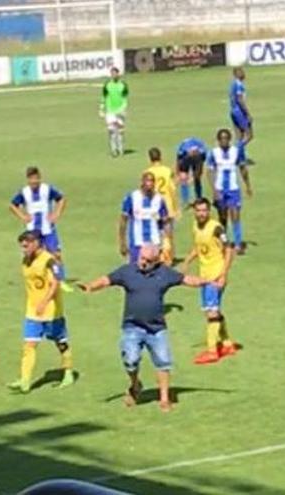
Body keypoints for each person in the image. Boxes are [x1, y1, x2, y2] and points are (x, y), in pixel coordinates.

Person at [78, 244, 204, 412]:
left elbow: (186, 280)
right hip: (132, 326)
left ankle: (164, 399)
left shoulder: (165, 273)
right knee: (130, 361)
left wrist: (207, 282)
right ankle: (135, 384)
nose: (143, 262)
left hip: (156, 328)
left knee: (163, 362)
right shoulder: (127, 271)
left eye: (148, 260)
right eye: (141, 258)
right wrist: (90, 286)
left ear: (156, 261)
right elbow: (107, 280)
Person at [8, 231, 74, 394]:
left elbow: (55, 283)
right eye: (22, 246)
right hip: (32, 311)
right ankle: (25, 380)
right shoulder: (26, 260)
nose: (23, 249)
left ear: (36, 243)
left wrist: (44, 302)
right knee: (29, 345)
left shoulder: (49, 261)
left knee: (60, 342)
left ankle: (68, 372)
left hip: (51, 311)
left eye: (26, 245)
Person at [180, 198, 239, 365]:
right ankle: (227, 343)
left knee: (211, 312)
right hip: (204, 276)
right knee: (213, 310)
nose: (201, 213)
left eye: (204, 210)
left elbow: (229, 249)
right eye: (198, 210)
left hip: (215, 275)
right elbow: (199, 248)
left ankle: (212, 350)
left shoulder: (216, 228)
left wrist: (223, 275)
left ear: (209, 211)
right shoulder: (195, 226)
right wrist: (187, 261)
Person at [9, 166, 72, 292]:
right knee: (30, 254)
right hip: (33, 230)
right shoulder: (24, 192)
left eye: (36, 179)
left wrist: (56, 213)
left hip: (48, 228)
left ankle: (60, 280)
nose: (34, 182)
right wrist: (23, 216)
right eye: (31, 179)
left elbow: (61, 199)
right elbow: (12, 205)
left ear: (39, 178)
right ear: (28, 180)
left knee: (56, 254)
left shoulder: (47, 189)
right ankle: (32, 278)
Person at [207, 129, 252, 255]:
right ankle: (224, 243)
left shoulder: (236, 151)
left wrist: (247, 185)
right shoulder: (214, 153)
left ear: (230, 139)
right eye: (221, 139)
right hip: (220, 189)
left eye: (226, 138)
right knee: (222, 217)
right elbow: (209, 171)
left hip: (233, 189)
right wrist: (214, 190)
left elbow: (243, 168)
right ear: (218, 140)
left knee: (235, 216)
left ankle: (238, 244)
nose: (224, 141)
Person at [119, 172, 171, 264]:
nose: (149, 183)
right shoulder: (132, 197)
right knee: (135, 272)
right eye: (147, 180)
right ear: (142, 182)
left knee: (154, 273)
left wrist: (167, 242)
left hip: (154, 243)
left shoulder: (159, 199)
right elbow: (123, 221)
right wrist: (122, 242)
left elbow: (165, 221)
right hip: (137, 244)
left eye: (152, 181)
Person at [144, 147, 179, 264]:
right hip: (168, 203)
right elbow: (172, 188)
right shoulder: (167, 171)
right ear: (160, 157)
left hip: (154, 205)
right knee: (168, 233)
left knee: (155, 232)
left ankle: (157, 256)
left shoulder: (148, 172)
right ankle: (168, 257)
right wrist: (175, 207)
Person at [101, 67, 128, 157]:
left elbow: (125, 98)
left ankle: (121, 150)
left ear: (118, 74)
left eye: (115, 73)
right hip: (110, 112)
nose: (113, 75)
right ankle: (114, 151)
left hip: (120, 111)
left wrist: (123, 108)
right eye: (112, 74)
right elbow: (103, 97)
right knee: (112, 131)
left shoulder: (123, 85)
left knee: (120, 132)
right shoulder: (107, 85)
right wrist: (101, 108)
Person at [229, 67, 254, 164]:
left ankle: (241, 159)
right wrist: (248, 113)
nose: (243, 73)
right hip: (239, 112)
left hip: (233, 111)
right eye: (240, 72)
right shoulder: (239, 84)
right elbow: (240, 100)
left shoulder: (233, 84)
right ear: (235, 74)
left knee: (239, 137)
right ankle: (234, 153)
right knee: (249, 135)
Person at [176, 136, 208, 206]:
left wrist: (195, 177)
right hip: (185, 157)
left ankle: (199, 198)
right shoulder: (183, 149)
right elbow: (178, 160)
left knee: (197, 179)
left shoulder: (201, 152)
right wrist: (178, 173)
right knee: (183, 178)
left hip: (197, 157)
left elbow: (201, 165)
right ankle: (185, 200)